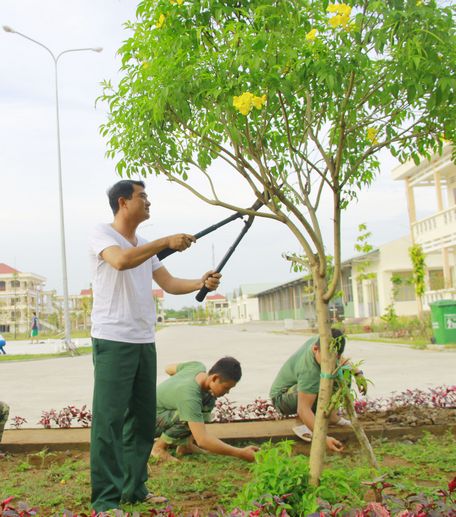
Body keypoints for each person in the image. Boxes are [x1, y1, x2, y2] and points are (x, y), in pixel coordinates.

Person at [88, 179, 221, 514]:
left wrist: (199, 283)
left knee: (142, 421)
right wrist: (167, 241)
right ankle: (105, 500)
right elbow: (120, 261)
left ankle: (134, 489)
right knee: (109, 422)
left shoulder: (145, 245)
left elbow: (169, 283)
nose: (148, 202)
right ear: (122, 202)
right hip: (113, 340)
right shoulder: (102, 235)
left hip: (144, 341)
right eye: (142, 196)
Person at [269, 329, 367, 452]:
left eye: (334, 358)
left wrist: (358, 373)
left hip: (299, 389)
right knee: (318, 384)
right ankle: (300, 423)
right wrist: (323, 438)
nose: (330, 363)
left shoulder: (323, 342)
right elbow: (303, 408)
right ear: (315, 349)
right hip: (282, 398)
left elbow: (340, 358)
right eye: (326, 359)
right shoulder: (309, 370)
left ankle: (332, 416)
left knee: (344, 370)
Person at [152, 357, 259, 463]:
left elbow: (168, 368)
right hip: (144, 421)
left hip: (162, 411)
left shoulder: (196, 367)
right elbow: (202, 440)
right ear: (214, 378)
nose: (227, 392)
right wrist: (240, 453)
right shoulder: (189, 396)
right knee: (186, 414)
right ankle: (158, 448)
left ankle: (186, 446)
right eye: (226, 388)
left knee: (207, 398)